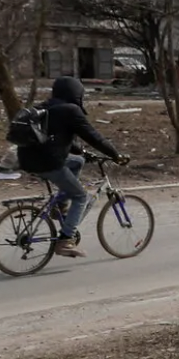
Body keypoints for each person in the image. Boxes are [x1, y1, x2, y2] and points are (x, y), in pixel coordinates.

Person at [14, 76, 127, 258]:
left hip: (27, 160)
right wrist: (115, 154)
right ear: (76, 93)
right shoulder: (71, 110)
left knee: (77, 162)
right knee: (81, 196)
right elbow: (93, 136)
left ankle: (59, 204)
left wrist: (83, 153)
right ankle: (65, 241)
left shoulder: (44, 107)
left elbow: (59, 135)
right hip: (49, 162)